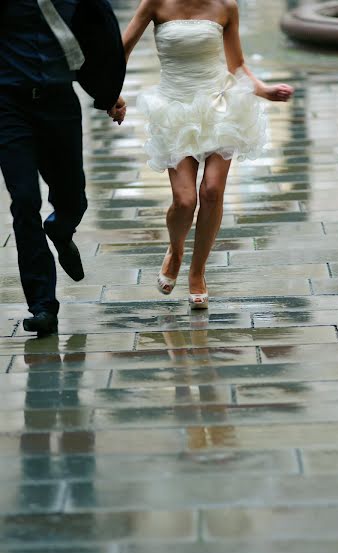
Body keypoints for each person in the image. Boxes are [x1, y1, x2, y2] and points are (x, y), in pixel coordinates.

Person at [122, 0, 294, 309]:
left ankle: (197, 272)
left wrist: (264, 90)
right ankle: (175, 251)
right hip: (174, 108)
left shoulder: (226, 6)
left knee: (212, 191)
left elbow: (236, 65)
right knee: (184, 200)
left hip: (221, 105)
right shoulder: (155, 4)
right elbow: (121, 51)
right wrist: (111, 94)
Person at [0, 0, 127, 336]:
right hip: (9, 106)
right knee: (24, 200)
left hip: (59, 102)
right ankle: (43, 305)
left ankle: (61, 227)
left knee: (73, 198)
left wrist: (108, 92)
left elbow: (97, 35)